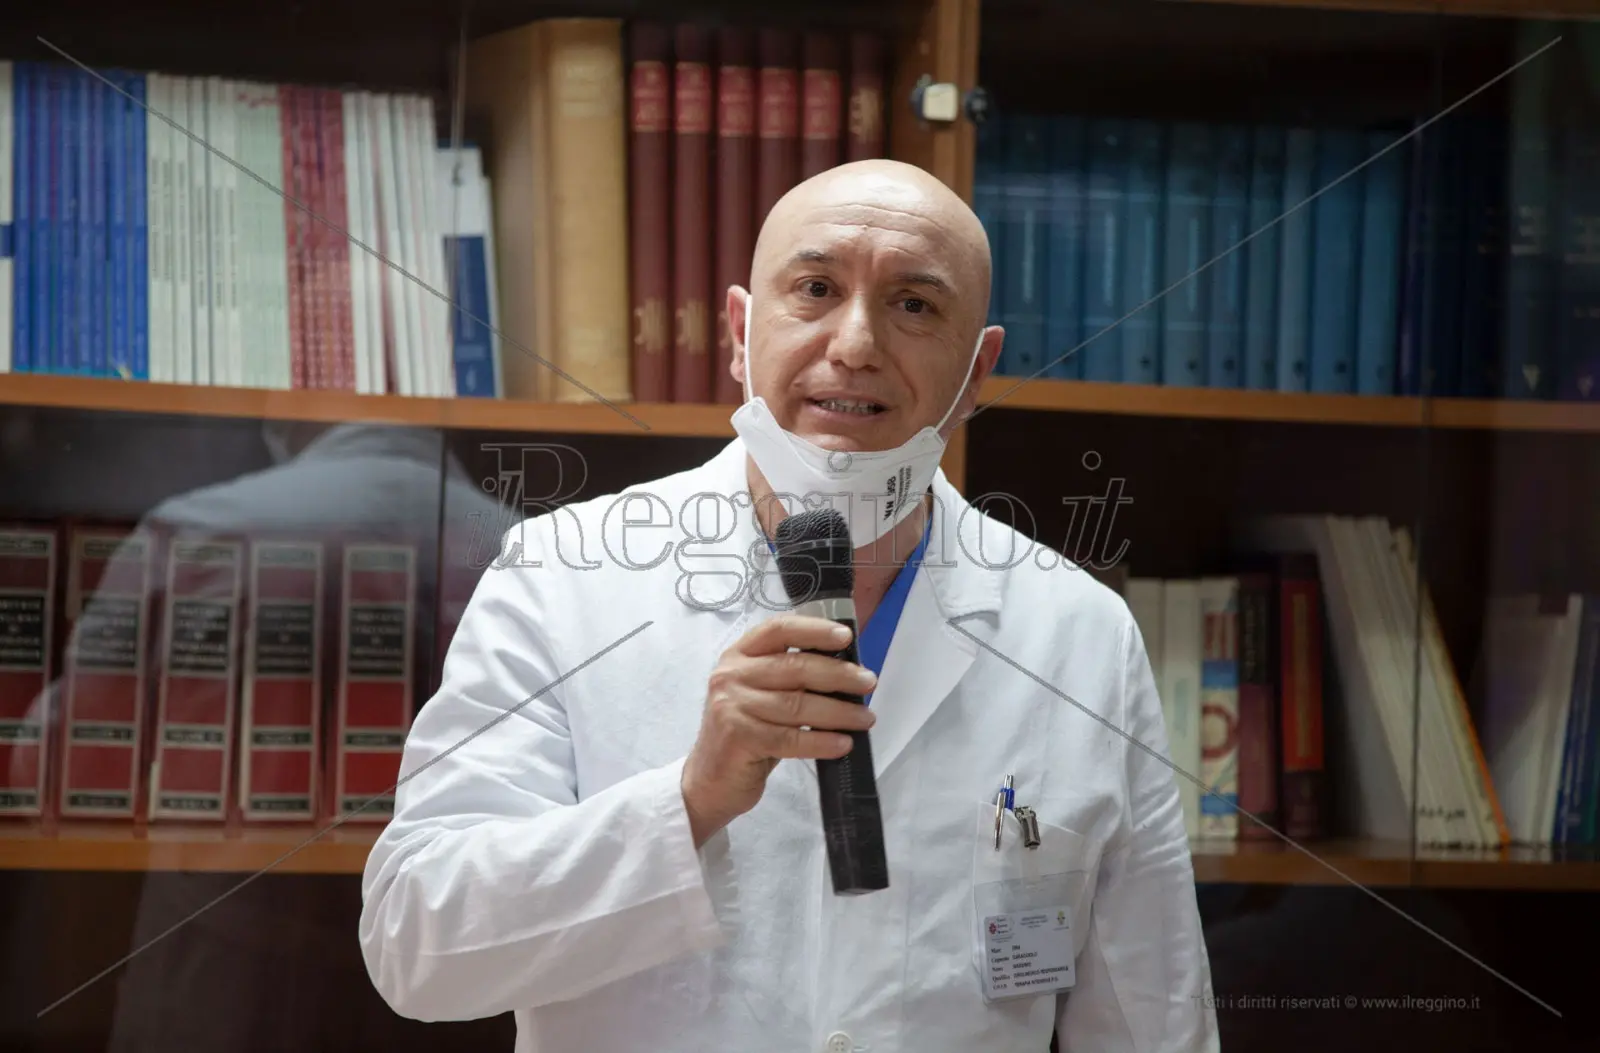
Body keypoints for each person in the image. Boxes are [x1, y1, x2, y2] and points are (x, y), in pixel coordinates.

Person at [358, 159, 1219, 1051]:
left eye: (914, 304)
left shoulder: (1079, 633)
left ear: (976, 372)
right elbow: (416, 945)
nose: (856, 343)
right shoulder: (559, 576)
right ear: (739, 333)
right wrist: (689, 800)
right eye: (815, 289)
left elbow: (1154, 1022)